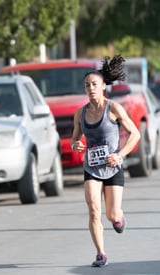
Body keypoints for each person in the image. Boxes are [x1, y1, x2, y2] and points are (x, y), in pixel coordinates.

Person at [71, 55, 140, 267]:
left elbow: (135, 134)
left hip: (113, 167)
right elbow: (75, 138)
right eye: (87, 85)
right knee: (93, 208)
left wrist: (120, 155)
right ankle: (100, 253)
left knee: (112, 214)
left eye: (94, 84)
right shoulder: (80, 113)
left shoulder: (114, 109)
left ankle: (118, 218)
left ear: (103, 87)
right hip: (91, 167)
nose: (90, 88)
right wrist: (76, 144)